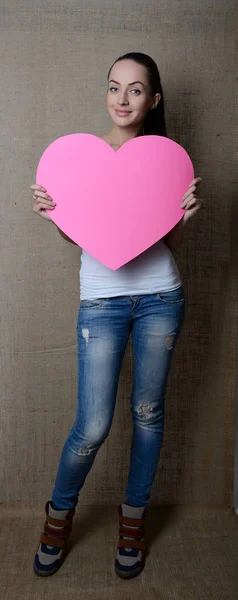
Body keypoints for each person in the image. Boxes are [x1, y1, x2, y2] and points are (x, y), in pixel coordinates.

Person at [31, 52, 202, 580]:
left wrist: (185, 216)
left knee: (148, 414)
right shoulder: (77, 158)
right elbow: (86, 234)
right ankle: (58, 517)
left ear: (154, 100)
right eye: (113, 87)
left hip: (160, 298)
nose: (122, 99)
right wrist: (54, 215)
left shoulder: (168, 159)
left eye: (134, 90)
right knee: (93, 424)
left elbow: (160, 239)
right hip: (101, 302)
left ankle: (133, 521)